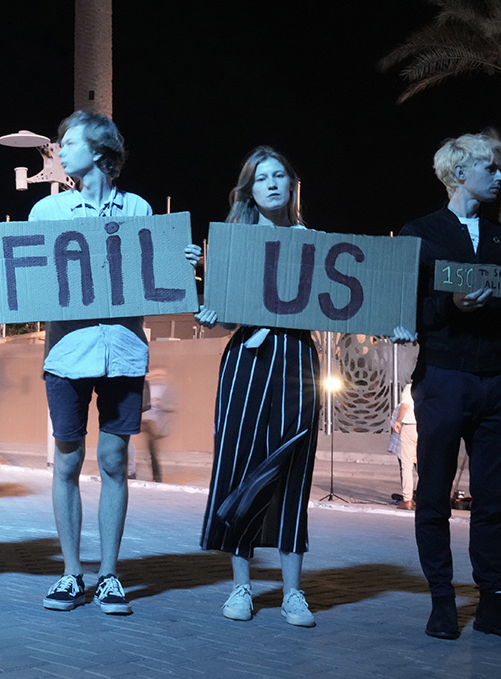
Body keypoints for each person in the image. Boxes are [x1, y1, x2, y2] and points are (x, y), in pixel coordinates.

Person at [0, 111, 200, 615]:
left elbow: (157, 272)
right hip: (66, 355)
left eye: (68, 141)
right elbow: (25, 287)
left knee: (114, 461)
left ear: (99, 151)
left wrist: (180, 261)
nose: (59, 150)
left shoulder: (140, 208)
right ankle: (70, 572)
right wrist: (1, 265)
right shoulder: (46, 214)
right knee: (67, 459)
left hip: (123, 352)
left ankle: (109, 576)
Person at [398, 133, 501, 644]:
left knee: (491, 501)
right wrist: (451, 306)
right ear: (460, 173)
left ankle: (493, 603)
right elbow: (406, 313)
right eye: (493, 169)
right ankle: (443, 600)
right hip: (443, 378)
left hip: (496, 381)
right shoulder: (419, 234)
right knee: (434, 495)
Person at [196, 146, 319, 627]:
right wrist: (212, 316)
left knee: (294, 468)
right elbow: (226, 317)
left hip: (296, 360)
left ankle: (292, 593)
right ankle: (242, 587)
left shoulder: (313, 241)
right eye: (261, 177)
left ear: (291, 185)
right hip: (246, 361)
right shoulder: (234, 242)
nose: (271, 183)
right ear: (249, 189)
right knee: (239, 463)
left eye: (279, 175)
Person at [392, 383, 417, 511]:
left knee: (407, 465)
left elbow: (405, 405)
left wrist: (398, 420)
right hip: (426, 427)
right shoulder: (434, 385)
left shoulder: (410, 387)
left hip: (410, 426)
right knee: (424, 465)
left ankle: (408, 500)